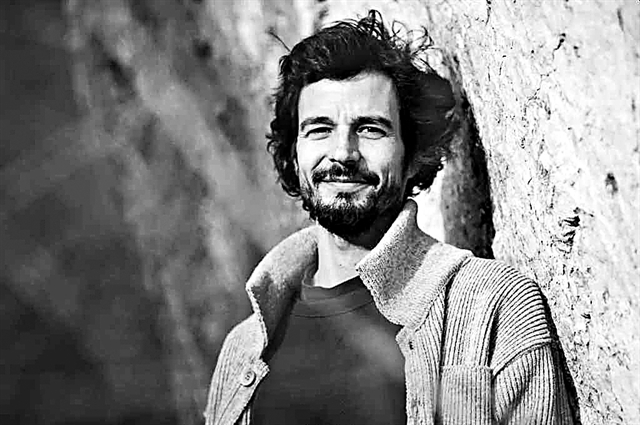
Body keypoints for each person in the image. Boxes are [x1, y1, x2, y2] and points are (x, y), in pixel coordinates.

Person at [204, 10, 576, 425]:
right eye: (319, 129)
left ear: (413, 155)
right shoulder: (243, 348)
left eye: (370, 129)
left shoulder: (493, 308)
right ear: (293, 156)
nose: (343, 153)